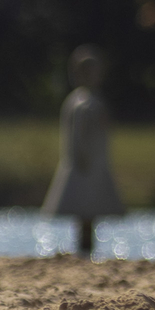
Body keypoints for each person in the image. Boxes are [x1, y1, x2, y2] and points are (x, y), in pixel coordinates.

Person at [43, 46, 125, 258]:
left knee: (88, 213)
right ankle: (84, 250)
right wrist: (82, 156)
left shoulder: (84, 101)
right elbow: (80, 133)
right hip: (85, 164)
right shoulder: (84, 102)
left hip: (91, 163)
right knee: (85, 211)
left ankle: (85, 250)